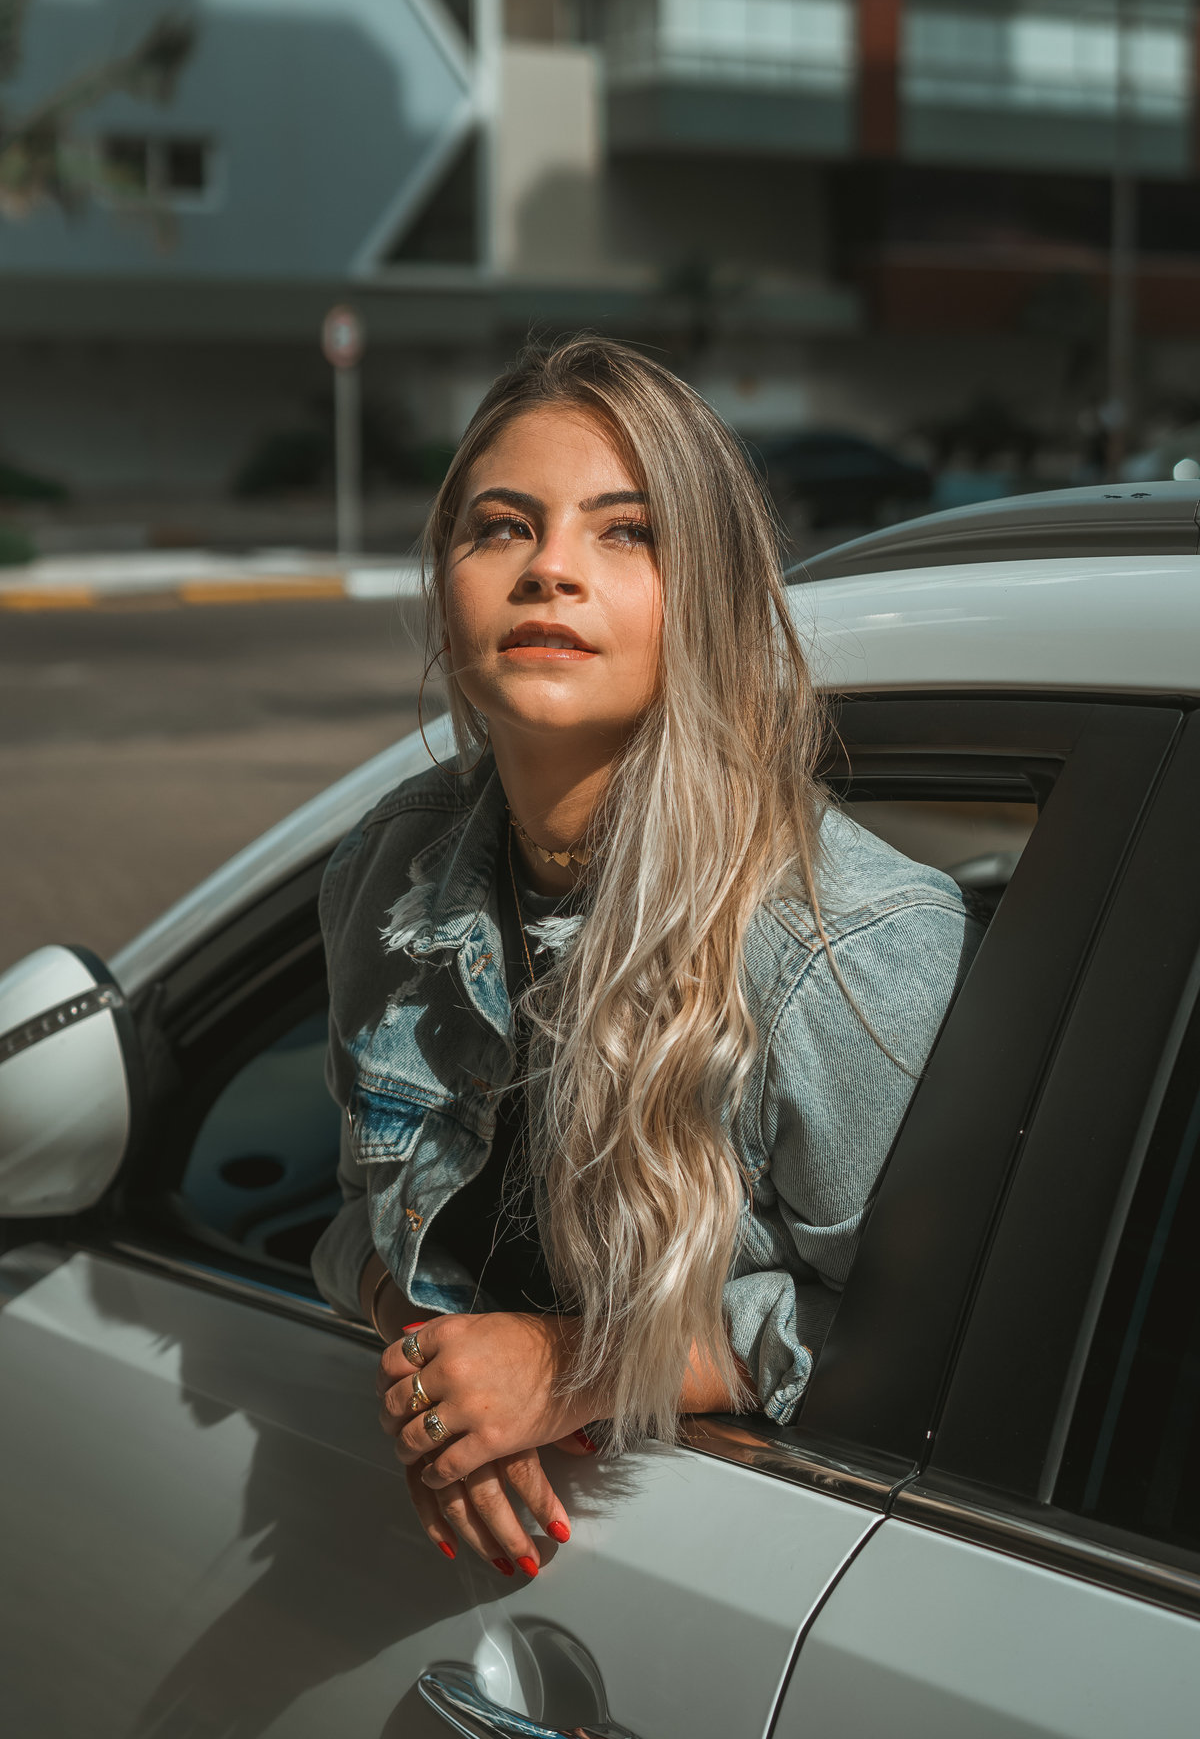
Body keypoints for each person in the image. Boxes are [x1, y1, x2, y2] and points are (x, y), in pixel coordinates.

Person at [311, 337, 978, 1578]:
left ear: (709, 593)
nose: (550, 569)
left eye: (626, 533)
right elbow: (361, 1214)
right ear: (446, 582)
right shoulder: (384, 871)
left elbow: (919, 1344)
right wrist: (430, 1356)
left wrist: (564, 1370)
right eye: (502, 527)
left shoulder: (843, 947)